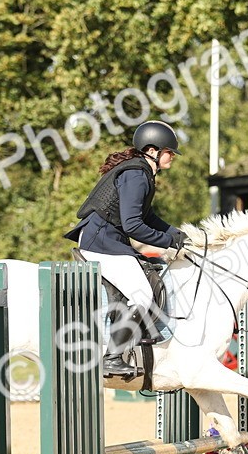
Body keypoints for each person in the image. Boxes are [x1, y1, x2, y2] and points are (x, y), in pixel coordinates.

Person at [64, 120, 189, 379]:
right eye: (169, 152)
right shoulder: (137, 174)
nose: (172, 157)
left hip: (110, 241)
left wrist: (176, 234)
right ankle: (112, 357)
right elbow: (133, 225)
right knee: (142, 294)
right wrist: (167, 242)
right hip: (102, 243)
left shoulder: (141, 172)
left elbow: (147, 216)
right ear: (153, 151)